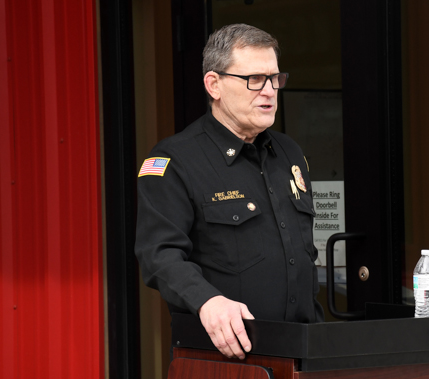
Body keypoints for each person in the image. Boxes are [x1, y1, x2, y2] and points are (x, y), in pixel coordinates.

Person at [135, 24, 324, 361]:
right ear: (214, 85)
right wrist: (208, 301)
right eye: (255, 79)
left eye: (275, 79)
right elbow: (159, 254)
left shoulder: (289, 153)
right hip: (227, 358)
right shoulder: (175, 160)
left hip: (302, 352)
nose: (269, 91)